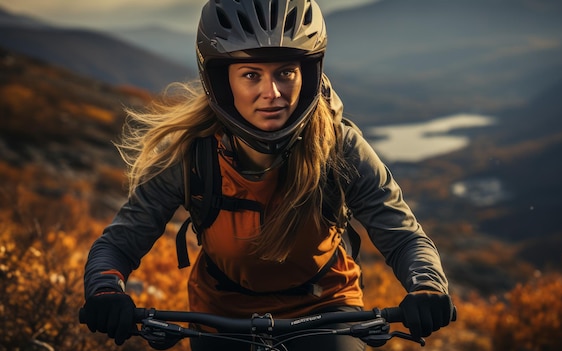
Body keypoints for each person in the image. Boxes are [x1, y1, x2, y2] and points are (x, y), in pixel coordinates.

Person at [81, 1, 454, 350]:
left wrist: (426, 287)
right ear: (222, 81)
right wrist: (106, 291)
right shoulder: (192, 154)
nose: (271, 93)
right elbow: (119, 242)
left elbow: (404, 237)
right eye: (250, 75)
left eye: (285, 72)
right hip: (219, 315)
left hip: (327, 308)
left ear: (307, 73)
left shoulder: (339, 146)